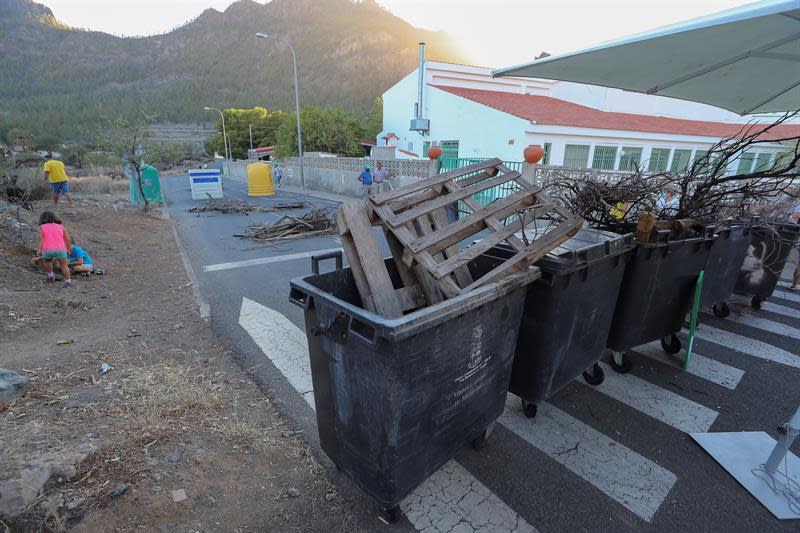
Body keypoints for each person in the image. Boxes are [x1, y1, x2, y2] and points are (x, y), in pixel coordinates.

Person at [37, 211, 73, 287]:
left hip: (48, 249)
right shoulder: (61, 226)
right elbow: (68, 239)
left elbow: (40, 240)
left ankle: (50, 276)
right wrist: (69, 249)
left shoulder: (42, 227)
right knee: (64, 265)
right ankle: (68, 281)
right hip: (60, 249)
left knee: (47, 261)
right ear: (55, 218)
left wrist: (38, 250)